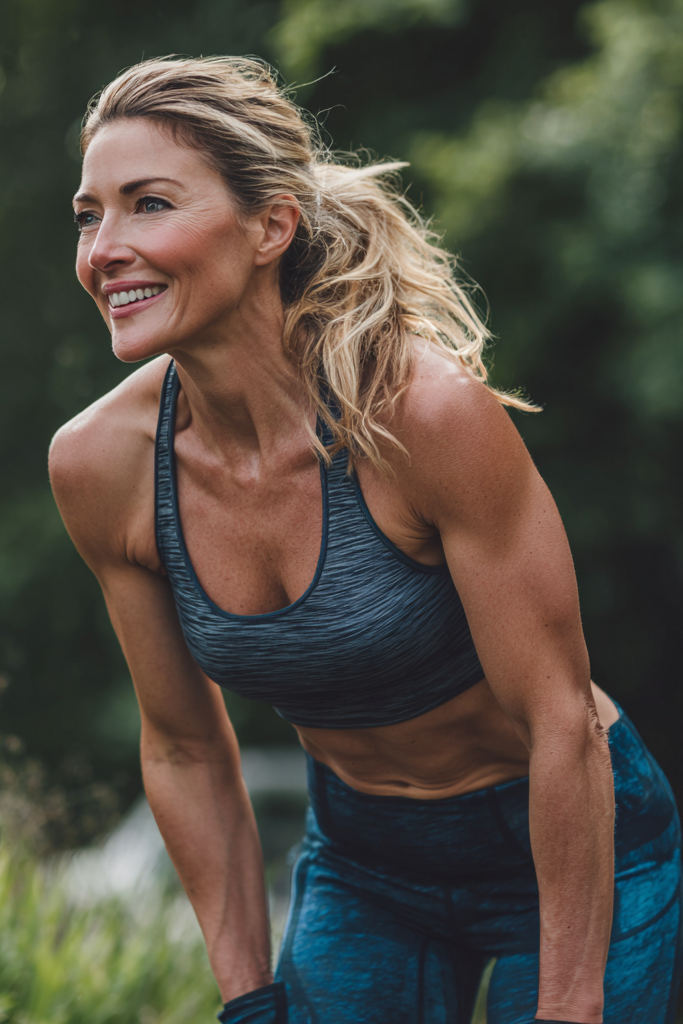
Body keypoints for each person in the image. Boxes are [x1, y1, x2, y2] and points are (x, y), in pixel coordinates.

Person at [48, 56, 682, 1024]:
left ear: (271, 227)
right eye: (90, 214)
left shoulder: (418, 416)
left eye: (149, 204)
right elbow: (182, 746)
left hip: (570, 839)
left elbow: (559, 718)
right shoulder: (102, 465)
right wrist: (244, 994)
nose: (106, 248)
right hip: (366, 859)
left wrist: (568, 1003)